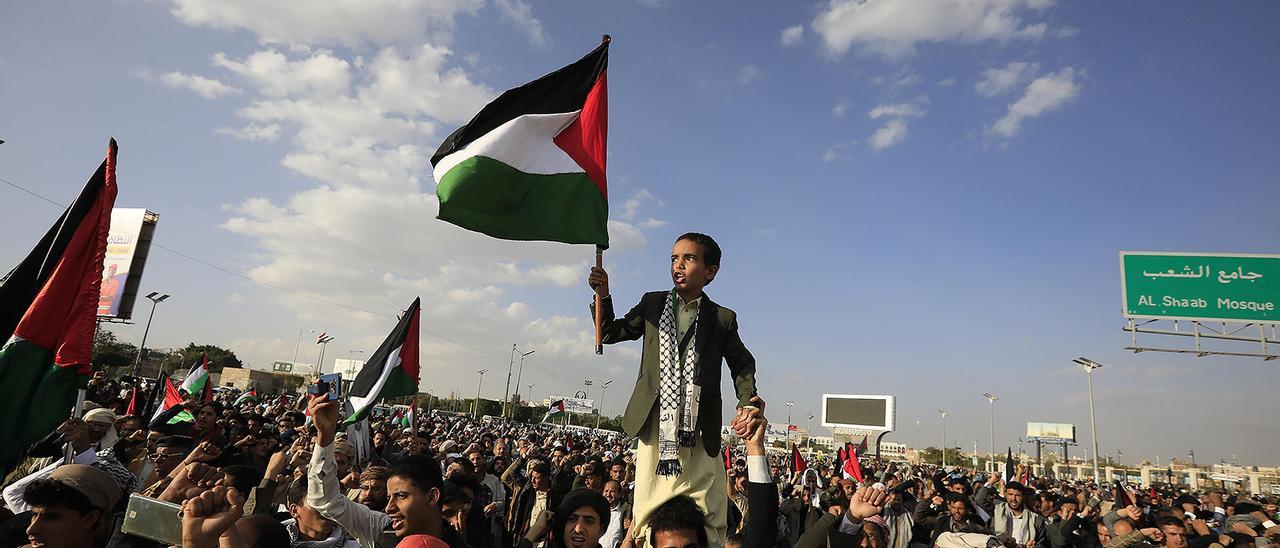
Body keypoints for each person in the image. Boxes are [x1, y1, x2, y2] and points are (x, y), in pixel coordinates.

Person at [588, 232, 760, 545]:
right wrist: (603, 295)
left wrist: (747, 402)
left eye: (689, 258)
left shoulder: (722, 318)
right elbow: (610, 332)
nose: (678, 265)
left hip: (698, 427)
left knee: (708, 506)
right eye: (673, 258)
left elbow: (742, 364)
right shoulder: (652, 304)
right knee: (649, 505)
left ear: (710, 271)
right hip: (655, 423)